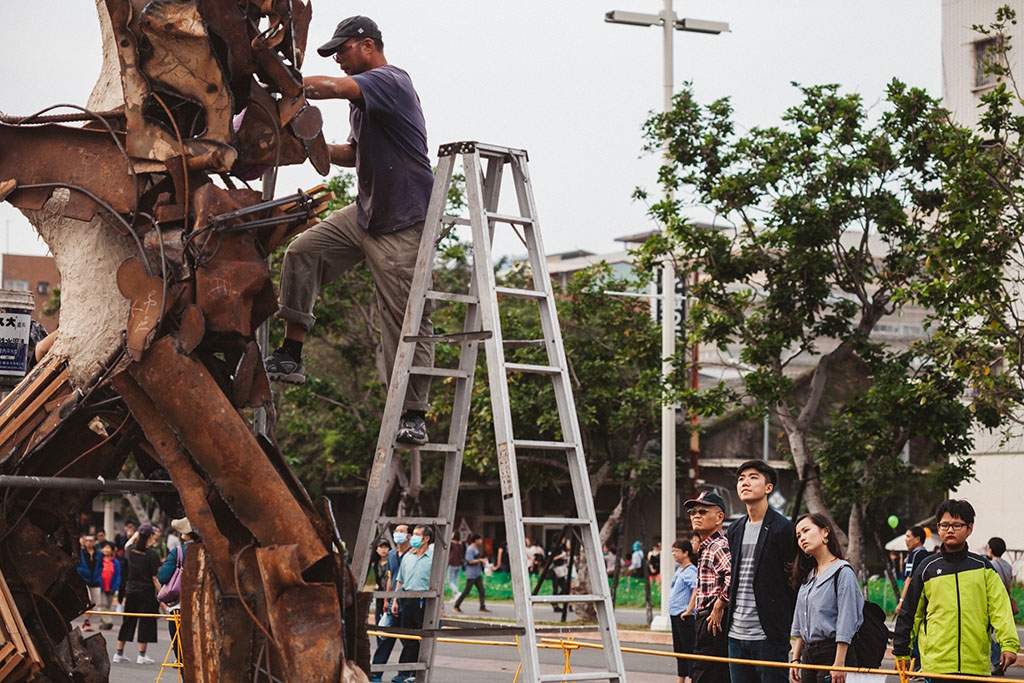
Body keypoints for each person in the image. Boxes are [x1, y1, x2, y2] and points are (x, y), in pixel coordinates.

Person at [264, 15, 435, 447]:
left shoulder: (390, 81)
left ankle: (414, 413)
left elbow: (335, 89)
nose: (339, 58)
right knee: (302, 252)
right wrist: (310, 145)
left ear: (368, 44)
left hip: (404, 222)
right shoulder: (366, 104)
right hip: (367, 215)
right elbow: (353, 155)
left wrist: (285, 85)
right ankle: (292, 354)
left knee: (404, 319)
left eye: (343, 50)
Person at [894, 500, 1019, 678]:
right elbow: (910, 613)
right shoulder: (926, 568)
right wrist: (901, 651)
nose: (950, 530)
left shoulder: (983, 567)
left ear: (970, 528)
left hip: (975, 666)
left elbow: (1000, 610)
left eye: (957, 525)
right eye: (944, 525)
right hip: (936, 666)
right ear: (938, 528)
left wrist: (1009, 645)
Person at [726, 460, 796, 683]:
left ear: (769, 487)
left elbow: (793, 580)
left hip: (769, 635)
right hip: (735, 635)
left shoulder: (783, 528)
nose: (745, 482)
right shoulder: (735, 529)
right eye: (741, 478)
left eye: (753, 477)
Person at [789, 513, 863, 683]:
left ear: (825, 532)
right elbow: (800, 621)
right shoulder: (808, 576)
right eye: (798, 536)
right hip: (809, 655)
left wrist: (839, 662)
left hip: (833, 653)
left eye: (806, 530)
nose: (802, 538)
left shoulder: (842, 572)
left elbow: (847, 620)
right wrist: (795, 659)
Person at [684, 490, 731, 683]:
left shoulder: (717, 545)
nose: (696, 515)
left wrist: (719, 605)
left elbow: (732, 575)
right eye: (693, 512)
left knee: (704, 674)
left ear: (719, 517)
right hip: (705, 618)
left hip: (712, 619)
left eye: (702, 512)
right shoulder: (706, 546)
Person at [113, 525, 162, 665]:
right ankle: (141, 655)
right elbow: (155, 578)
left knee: (128, 621)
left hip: (131, 590)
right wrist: (162, 595)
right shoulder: (152, 554)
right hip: (146, 592)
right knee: (146, 622)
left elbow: (127, 543)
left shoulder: (130, 551)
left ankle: (119, 653)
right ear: (151, 536)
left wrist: (136, 534)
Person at [391, 526, 434, 683]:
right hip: (406, 599)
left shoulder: (434, 557)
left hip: (423, 601)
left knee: (420, 637)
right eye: (413, 534)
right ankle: (407, 672)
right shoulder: (408, 556)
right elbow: (400, 580)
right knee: (407, 637)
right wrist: (395, 600)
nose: (413, 538)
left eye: (417, 535)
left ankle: (408, 673)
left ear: (426, 538)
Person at [370, 524, 411, 682]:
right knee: (385, 638)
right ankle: (376, 673)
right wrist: (387, 599)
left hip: (407, 601)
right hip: (392, 600)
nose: (399, 534)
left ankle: (405, 674)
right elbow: (391, 577)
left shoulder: (412, 554)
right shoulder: (393, 554)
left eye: (402, 532)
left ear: (408, 536)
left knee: (409, 641)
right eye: (397, 531)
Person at [158, 518, 197, 658]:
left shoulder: (179, 552)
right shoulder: (209, 550)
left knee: (181, 650)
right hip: (203, 606)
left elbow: (163, 577)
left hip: (179, 606)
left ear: (185, 534)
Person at [669, 539, 698, 683]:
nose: (673, 554)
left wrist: (689, 610)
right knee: (679, 651)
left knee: (688, 650)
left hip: (684, 617)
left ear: (686, 553)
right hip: (675, 615)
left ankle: (693, 679)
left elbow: (696, 590)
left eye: (676, 551)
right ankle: (681, 679)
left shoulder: (691, 570)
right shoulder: (680, 569)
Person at [987, 536, 1017, 673]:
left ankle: (996, 663)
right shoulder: (1008, 566)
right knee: (1001, 633)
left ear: (990, 549)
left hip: (994, 602)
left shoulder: (990, 566)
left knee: (992, 635)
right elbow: (1009, 584)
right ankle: (1000, 662)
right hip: (1005, 601)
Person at [453, 534, 488, 613]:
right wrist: (480, 560)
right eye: (480, 539)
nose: (481, 541)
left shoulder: (476, 548)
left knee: (482, 591)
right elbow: (469, 561)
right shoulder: (470, 549)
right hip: (471, 574)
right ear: (475, 540)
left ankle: (482, 607)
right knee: (466, 591)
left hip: (477, 573)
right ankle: (456, 605)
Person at [76, 535, 102, 632]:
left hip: (95, 580)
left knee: (95, 603)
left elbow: (101, 566)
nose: (89, 543)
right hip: (84, 580)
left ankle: (87, 620)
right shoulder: (81, 553)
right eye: (87, 541)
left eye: (91, 541)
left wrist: (99, 575)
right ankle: (86, 621)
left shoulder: (98, 554)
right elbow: (77, 565)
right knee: (88, 601)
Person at [97, 543, 121, 630]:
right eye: (104, 548)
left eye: (108, 548)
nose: (106, 550)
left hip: (111, 586)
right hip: (101, 586)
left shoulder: (115, 562)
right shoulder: (99, 560)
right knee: (102, 605)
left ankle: (104, 623)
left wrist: (115, 586)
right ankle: (108, 621)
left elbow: (118, 575)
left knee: (108, 606)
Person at [373, 539, 392, 623]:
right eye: (381, 547)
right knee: (378, 617)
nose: (383, 550)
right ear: (376, 549)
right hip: (379, 593)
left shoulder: (391, 562)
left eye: (386, 547)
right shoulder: (374, 563)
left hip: (390, 593)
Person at [446, 532, 464, 596]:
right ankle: (455, 596)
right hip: (459, 564)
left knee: (450, 581)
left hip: (452, 564)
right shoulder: (460, 544)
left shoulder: (451, 543)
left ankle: (457, 593)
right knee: (455, 581)